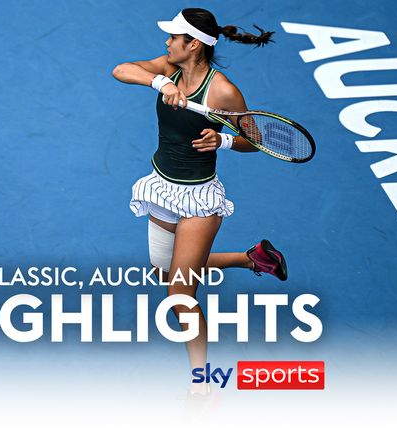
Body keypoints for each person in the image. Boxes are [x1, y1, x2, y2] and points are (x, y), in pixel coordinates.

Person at [112, 8, 287, 395]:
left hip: (198, 200)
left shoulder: (221, 90)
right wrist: (160, 82)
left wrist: (222, 139)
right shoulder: (167, 67)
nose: (167, 42)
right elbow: (121, 70)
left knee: (179, 293)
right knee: (165, 273)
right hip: (160, 187)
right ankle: (251, 257)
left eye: (174, 37)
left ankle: (201, 379)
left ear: (193, 44)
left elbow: (254, 140)